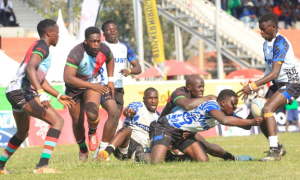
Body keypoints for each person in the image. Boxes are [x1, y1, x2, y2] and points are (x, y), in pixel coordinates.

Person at [0, 19, 75, 174]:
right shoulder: (42, 46)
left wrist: (58, 94)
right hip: (22, 91)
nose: (58, 36)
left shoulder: (40, 46)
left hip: (14, 91)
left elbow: (39, 77)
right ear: (49, 33)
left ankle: (0, 167)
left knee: (22, 133)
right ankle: (42, 166)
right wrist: (41, 94)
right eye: (57, 32)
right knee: (57, 121)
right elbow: (30, 68)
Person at [237, 12, 299, 161]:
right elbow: (268, 69)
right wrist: (260, 85)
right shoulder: (266, 44)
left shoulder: (280, 43)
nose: (261, 32)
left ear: (273, 27)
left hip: (293, 82)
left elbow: (275, 72)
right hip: (277, 83)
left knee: (267, 109)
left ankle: (274, 151)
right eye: (260, 29)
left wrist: (252, 86)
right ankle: (277, 148)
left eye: (264, 29)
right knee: (259, 113)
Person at [148, 75, 252, 162]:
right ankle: (141, 155)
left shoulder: (203, 100)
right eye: (199, 87)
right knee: (156, 160)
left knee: (204, 149)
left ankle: (232, 158)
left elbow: (244, 125)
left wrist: (254, 113)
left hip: (184, 129)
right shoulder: (179, 92)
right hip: (164, 126)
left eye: (203, 86)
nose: (202, 89)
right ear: (189, 87)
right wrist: (209, 97)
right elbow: (187, 106)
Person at [63, 26, 115, 162]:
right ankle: (83, 149)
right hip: (74, 87)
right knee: (77, 121)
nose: (96, 44)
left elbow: (110, 58)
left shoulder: (104, 49)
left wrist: (110, 79)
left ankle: (92, 132)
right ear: (86, 41)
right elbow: (68, 77)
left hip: (93, 82)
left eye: (98, 41)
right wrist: (92, 85)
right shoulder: (76, 52)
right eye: (93, 41)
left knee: (92, 114)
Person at [93, 20, 142, 158]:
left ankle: (100, 152)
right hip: (104, 86)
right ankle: (102, 151)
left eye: (114, 28)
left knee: (115, 121)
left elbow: (138, 68)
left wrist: (129, 70)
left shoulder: (125, 47)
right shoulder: (100, 47)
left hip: (119, 88)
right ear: (104, 33)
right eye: (109, 29)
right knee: (113, 114)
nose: (113, 31)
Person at [96, 88, 160, 162]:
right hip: (125, 143)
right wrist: (128, 112)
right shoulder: (138, 106)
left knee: (150, 157)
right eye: (150, 98)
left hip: (137, 149)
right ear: (144, 99)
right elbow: (127, 111)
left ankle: (138, 157)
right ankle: (104, 154)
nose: (153, 101)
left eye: (156, 98)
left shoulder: (158, 117)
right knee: (127, 129)